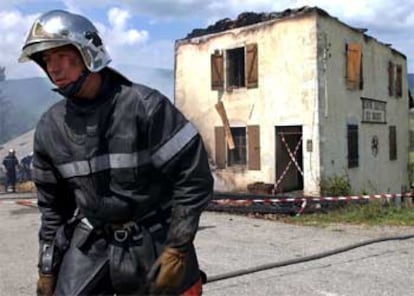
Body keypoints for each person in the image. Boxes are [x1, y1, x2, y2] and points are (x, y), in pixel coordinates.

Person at [19, 9, 213, 296]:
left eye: (61, 56)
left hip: (153, 238)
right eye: (47, 60)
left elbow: (193, 179)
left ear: (89, 53)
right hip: (91, 239)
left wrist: (177, 248)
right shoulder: (50, 128)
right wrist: (47, 268)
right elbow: (52, 210)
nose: (54, 69)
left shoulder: (146, 108)